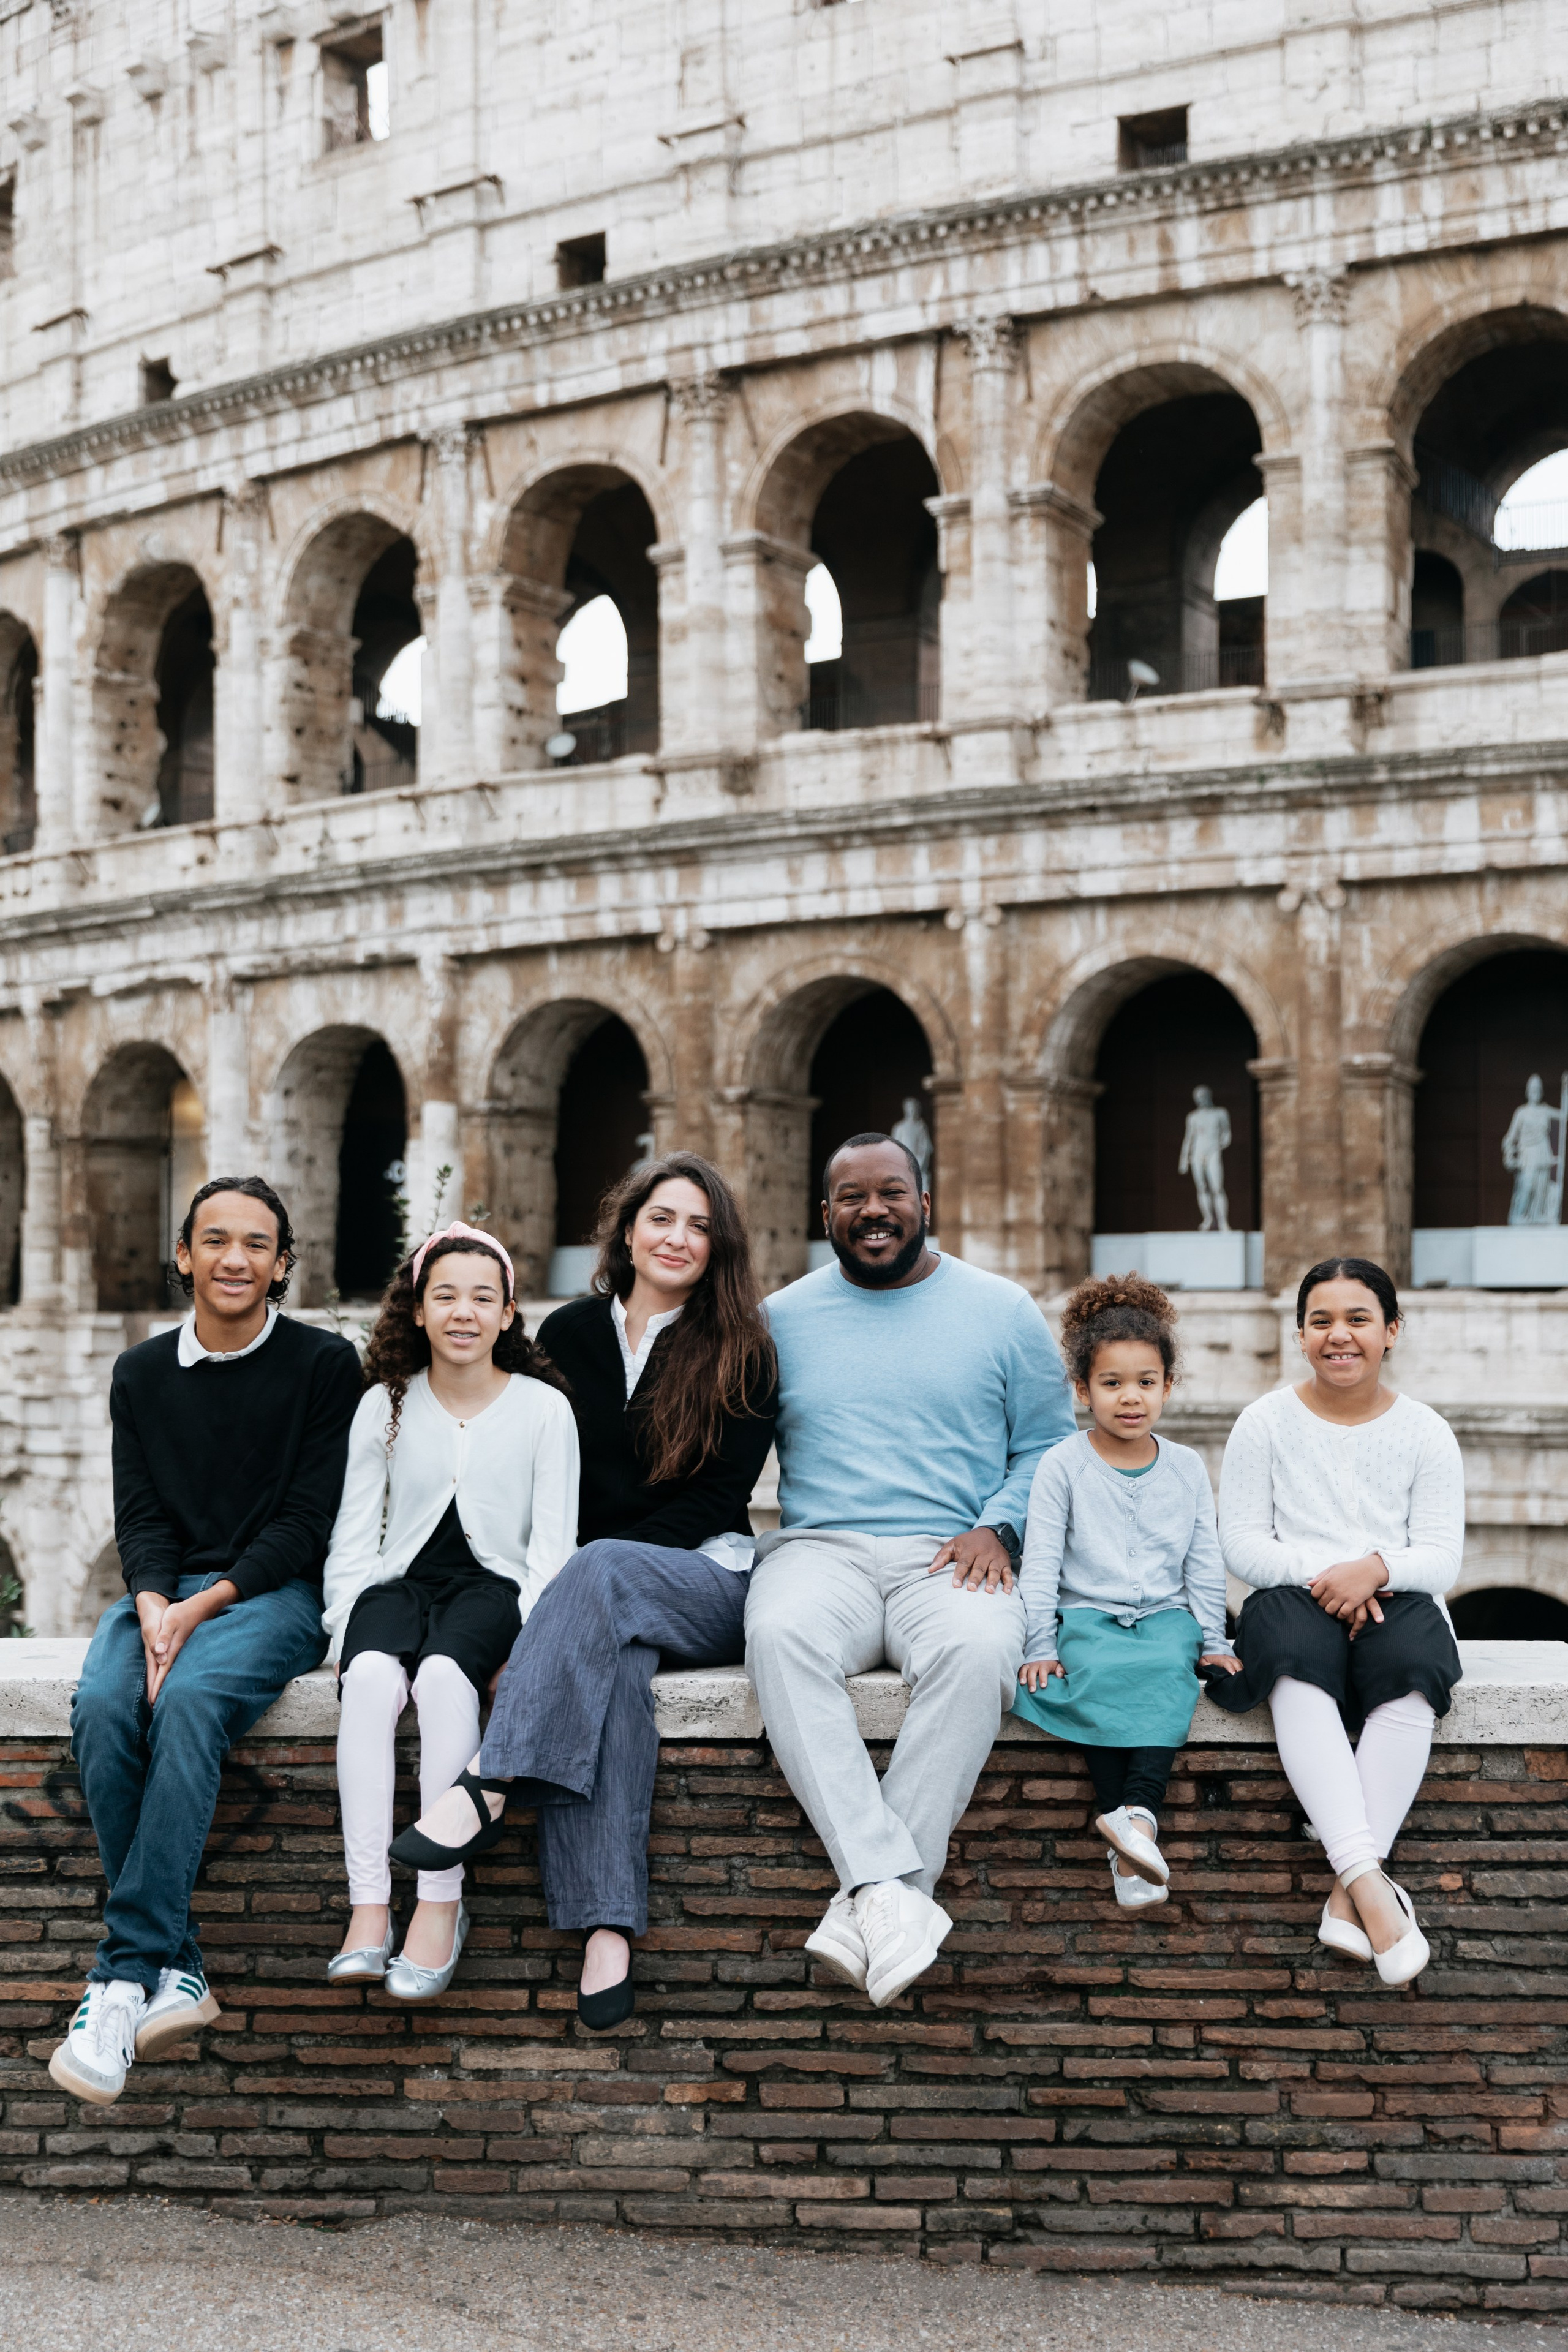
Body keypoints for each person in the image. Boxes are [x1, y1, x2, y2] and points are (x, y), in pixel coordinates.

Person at [390, 1153, 777, 2029]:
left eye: (701, 1226)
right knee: (618, 1683)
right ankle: (607, 1924)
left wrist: (558, 1611)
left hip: (707, 1581)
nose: (679, 1237)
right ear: (629, 1229)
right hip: (595, 1597)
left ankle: (490, 1782)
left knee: (600, 1571)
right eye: (663, 1218)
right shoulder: (564, 1336)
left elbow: (715, 1505)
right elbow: (534, 1480)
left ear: (719, 1250)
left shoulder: (745, 1352)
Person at [745, 1131, 1076, 2009]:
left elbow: (1051, 1445)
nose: (874, 1212)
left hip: (954, 1553)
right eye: (851, 1199)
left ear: (925, 1204)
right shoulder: (778, 1319)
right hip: (822, 1551)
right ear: (827, 1217)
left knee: (976, 1656)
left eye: (891, 1193)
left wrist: (999, 1525)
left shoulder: (1003, 1310)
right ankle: (892, 1892)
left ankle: (869, 1897)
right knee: (776, 1635)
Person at [51, 1178, 361, 2108]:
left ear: (281, 1263)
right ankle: (176, 1968)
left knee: (186, 1703)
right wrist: (154, 1602)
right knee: (106, 1706)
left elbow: (308, 1522)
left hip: (271, 1594)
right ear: (184, 1254)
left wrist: (203, 1607)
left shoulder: (322, 1364)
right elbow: (141, 1515)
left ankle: (119, 1978)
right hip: (162, 1593)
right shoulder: (141, 1372)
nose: (236, 1259)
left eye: (258, 1244)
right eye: (216, 1241)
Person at [322, 1223, 578, 2000]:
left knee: (440, 1680)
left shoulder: (544, 1410)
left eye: (482, 1298)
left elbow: (553, 1549)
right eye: (445, 1297)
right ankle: (369, 1906)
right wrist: (341, 1626)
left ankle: (440, 1905)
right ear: (419, 1312)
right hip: (396, 1585)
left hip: (490, 1591)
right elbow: (354, 1532)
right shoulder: (384, 1405)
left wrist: (528, 1641)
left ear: (507, 1313)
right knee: (368, 1680)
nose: (463, 1312)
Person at [1209, 1256, 1463, 1989]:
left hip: (1397, 1591)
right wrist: (1333, 1579)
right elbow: (1243, 1542)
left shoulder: (1425, 1432)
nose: (1338, 1336)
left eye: (1357, 1319)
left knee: (1413, 1670)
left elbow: (1441, 1555)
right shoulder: (1264, 1423)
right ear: (1299, 1334)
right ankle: (1371, 1891)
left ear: (1391, 1331)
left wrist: (1375, 1571)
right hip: (1293, 1592)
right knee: (1289, 1654)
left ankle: (1345, 1892)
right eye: (1320, 1321)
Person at [1011, 1275, 1240, 1909]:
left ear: (1168, 1386)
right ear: (1083, 1390)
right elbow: (1043, 1562)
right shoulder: (1062, 1464)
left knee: (1167, 1667)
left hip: (1164, 1615)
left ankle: (1132, 1821)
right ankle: (1131, 1831)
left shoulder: (1187, 1467)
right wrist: (1038, 1643)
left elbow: (1202, 1559)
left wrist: (1215, 1639)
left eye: (1145, 1382)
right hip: (1086, 1615)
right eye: (1111, 1384)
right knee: (1099, 1673)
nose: (1129, 1398)